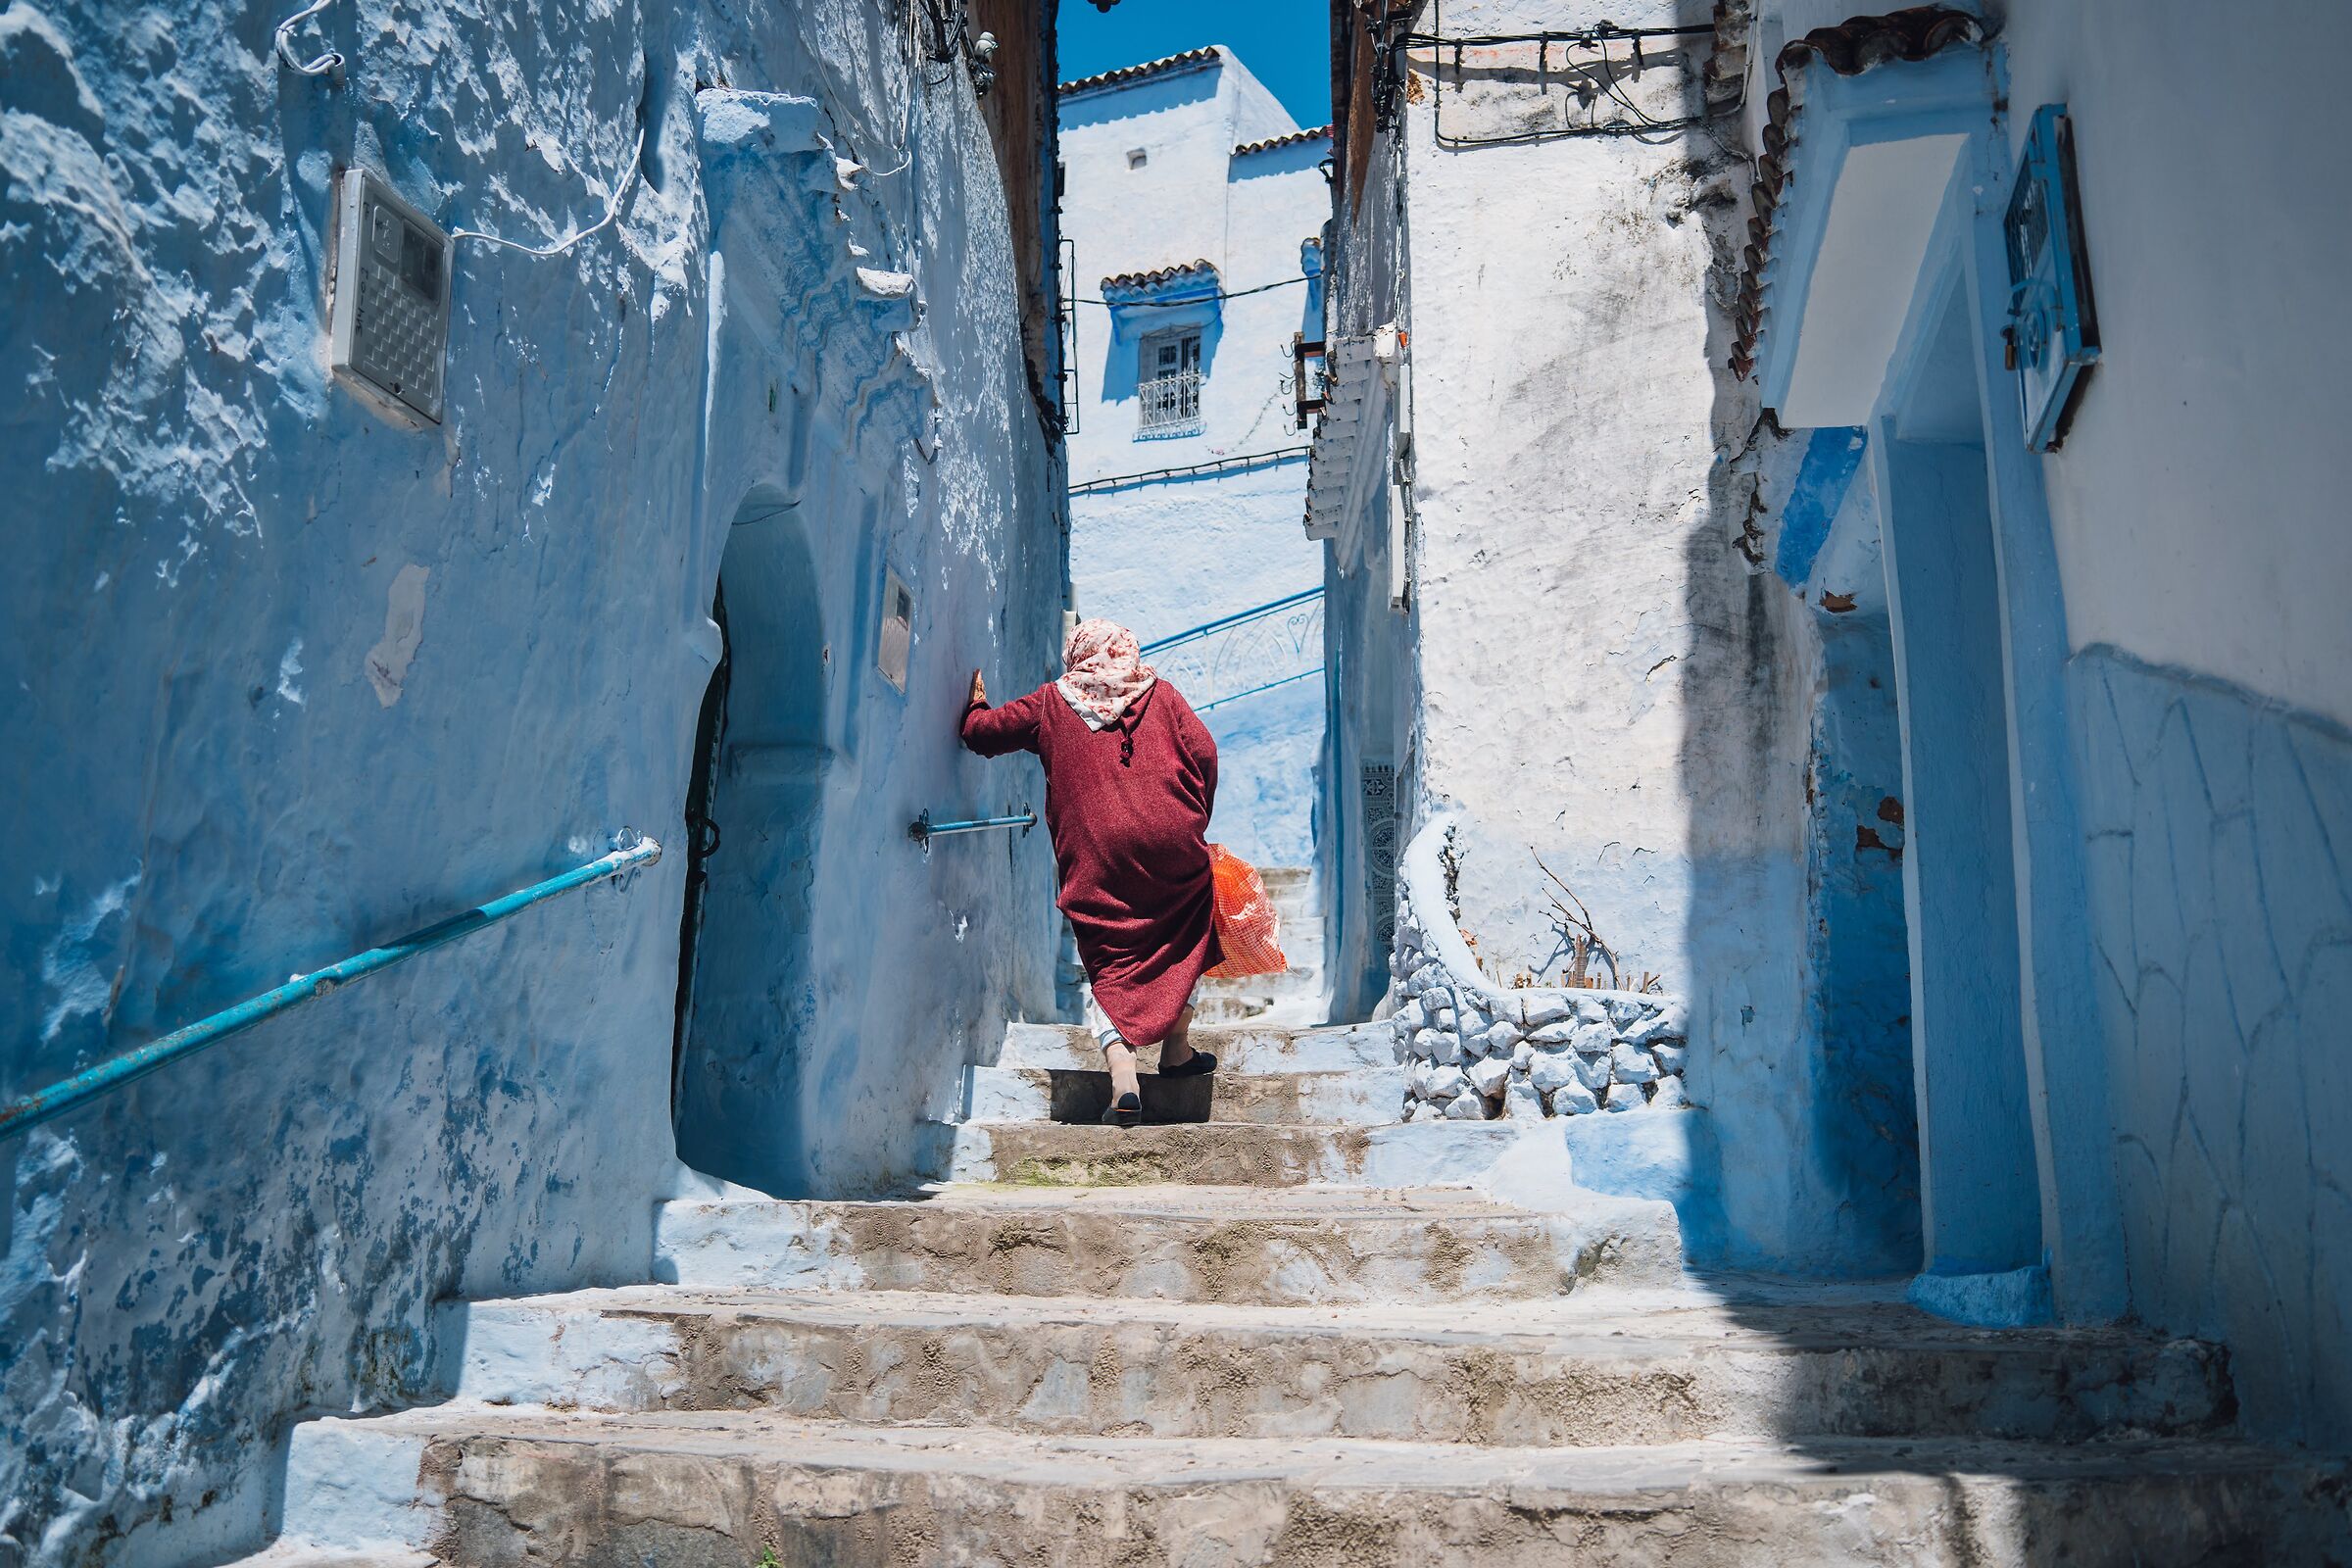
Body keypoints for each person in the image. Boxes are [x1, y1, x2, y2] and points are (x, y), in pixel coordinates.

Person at [961, 618, 1220, 1126]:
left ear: (1079, 655)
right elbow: (1205, 752)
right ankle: (1176, 1048)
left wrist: (975, 704)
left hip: (1096, 859)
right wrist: (1190, 817)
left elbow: (981, 735)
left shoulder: (1051, 703)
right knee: (1188, 932)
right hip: (1172, 844)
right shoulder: (1161, 694)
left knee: (1111, 960)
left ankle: (1123, 1076)